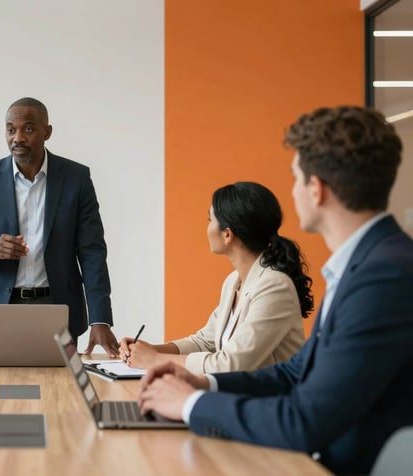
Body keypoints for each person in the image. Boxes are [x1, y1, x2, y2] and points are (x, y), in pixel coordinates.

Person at [137, 106, 413, 474]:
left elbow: (304, 420)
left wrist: (190, 404)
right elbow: (295, 373)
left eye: (295, 178)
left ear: (316, 191)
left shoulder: (383, 275)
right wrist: (204, 382)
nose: (293, 192)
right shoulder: (363, 263)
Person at [0, 97, 119, 356]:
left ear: (47, 132)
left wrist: (99, 319)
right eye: (11, 129)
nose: (17, 137)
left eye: (28, 129)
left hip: (58, 309)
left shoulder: (76, 179)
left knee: (62, 392)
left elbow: (92, 253)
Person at [119, 182, 312, 373]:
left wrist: (156, 360)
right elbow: (204, 342)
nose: (207, 227)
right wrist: (150, 350)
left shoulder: (274, 286)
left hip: (271, 401)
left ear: (227, 234)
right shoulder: (234, 281)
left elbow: (230, 365)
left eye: (209, 219)